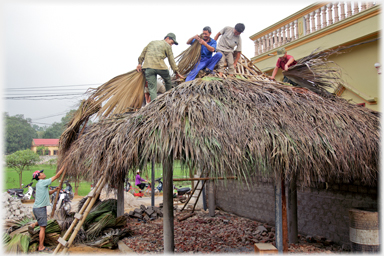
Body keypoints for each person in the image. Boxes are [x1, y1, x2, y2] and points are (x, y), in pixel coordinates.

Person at [137, 33, 185, 102]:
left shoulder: (151, 43)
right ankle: (169, 97)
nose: (171, 45)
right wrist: (176, 72)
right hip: (160, 67)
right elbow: (171, 60)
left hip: (148, 68)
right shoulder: (167, 46)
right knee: (168, 80)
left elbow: (143, 54)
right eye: (171, 43)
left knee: (152, 89)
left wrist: (139, 63)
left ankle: (154, 104)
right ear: (167, 38)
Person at [28, 167, 64, 252]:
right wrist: (64, 167)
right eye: (41, 173)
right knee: (42, 228)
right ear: (39, 177)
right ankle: (41, 247)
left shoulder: (39, 184)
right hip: (40, 209)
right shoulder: (43, 182)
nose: (43, 173)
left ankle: (32, 225)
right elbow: (57, 175)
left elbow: (47, 193)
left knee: (42, 221)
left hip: (36, 208)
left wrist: (54, 190)